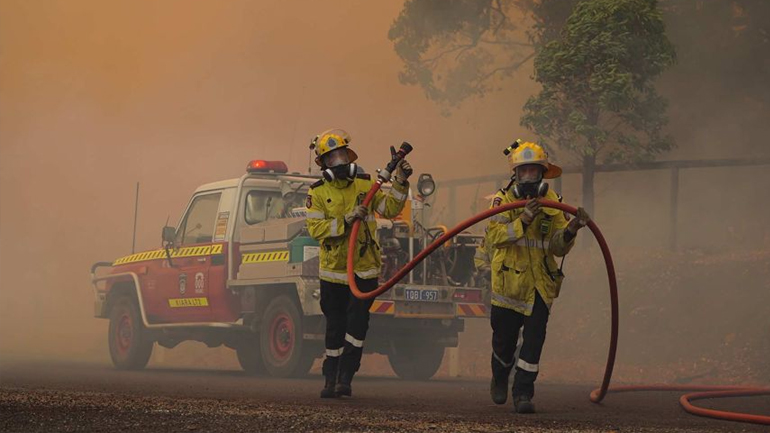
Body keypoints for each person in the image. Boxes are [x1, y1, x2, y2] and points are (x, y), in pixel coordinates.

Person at [305, 128, 412, 398]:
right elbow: (315, 229)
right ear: (324, 165)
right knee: (335, 326)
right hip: (333, 274)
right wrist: (346, 220)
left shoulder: (365, 184)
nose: (339, 162)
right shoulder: (317, 193)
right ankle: (330, 378)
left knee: (357, 325)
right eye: (332, 158)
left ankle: (346, 376)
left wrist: (400, 181)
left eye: (341, 155)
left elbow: (390, 209)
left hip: (364, 270)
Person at [485, 139, 591, 413]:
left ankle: (522, 394)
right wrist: (522, 221)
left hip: (540, 287)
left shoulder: (554, 203)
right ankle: (499, 376)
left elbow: (557, 246)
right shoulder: (502, 200)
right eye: (524, 172)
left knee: (534, 342)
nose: (530, 178)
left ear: (543, 174)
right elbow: (494, 237)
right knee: (504, 343)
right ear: (516, 175)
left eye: (534, 172)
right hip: (509, 287)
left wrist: (571, 229)